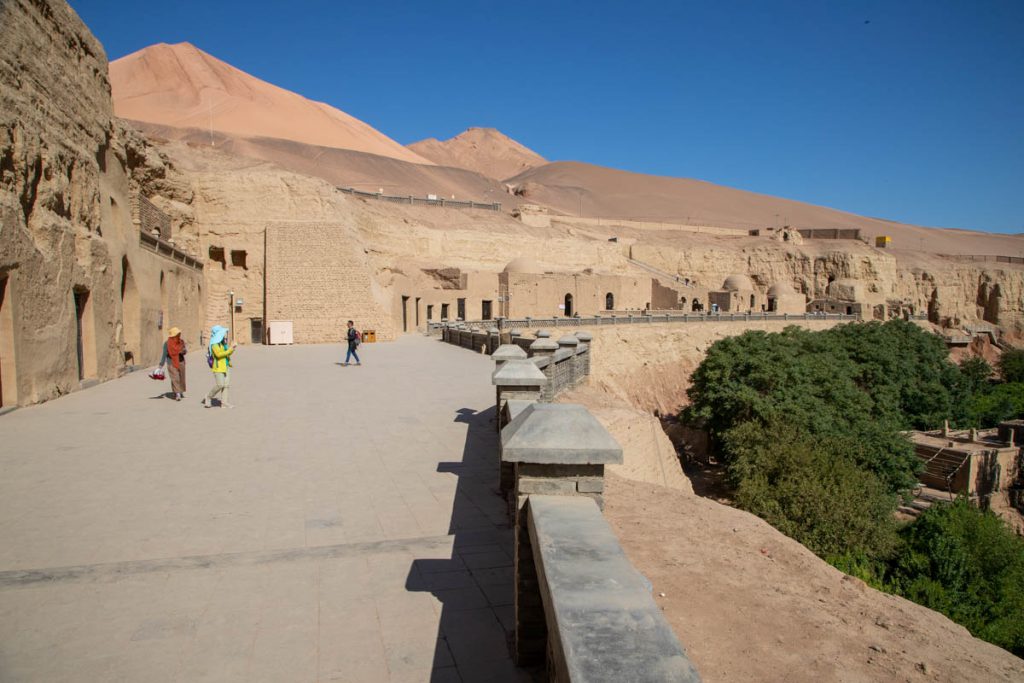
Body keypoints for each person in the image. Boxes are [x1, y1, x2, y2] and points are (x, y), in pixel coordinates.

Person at [204, 325, 236, 408]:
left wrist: (232, 348)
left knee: (226, 385)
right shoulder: (214, 344)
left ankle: (224, 402)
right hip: (218, 367)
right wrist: (230, 349)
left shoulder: (222, 343)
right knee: (220, 385)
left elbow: (227, 353)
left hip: (225, 366)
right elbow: (218, 355)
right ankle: (208, 397)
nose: (224, 335)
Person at [160, 327, 187, 401]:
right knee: (175, 378)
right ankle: (177, 393)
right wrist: (161, 365)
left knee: (181, 378)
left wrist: (183, 351)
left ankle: (179, 391)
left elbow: (185, 350)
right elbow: (164, 354)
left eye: (179, 334)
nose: (179, 335)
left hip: (181, 361)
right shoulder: (167, 343)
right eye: (177, 334)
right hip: (171, 362)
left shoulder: (181, 342)